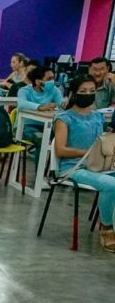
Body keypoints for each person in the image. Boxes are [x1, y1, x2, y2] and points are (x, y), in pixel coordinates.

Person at [54, 75, 115, 253]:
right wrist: (88, 153)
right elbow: (60, 150)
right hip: (73, 167)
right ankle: (106, 229)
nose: (88, 94)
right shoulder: (64, 118)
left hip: (98, 165)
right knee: (111, 185)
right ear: (73, 93)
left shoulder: (97, 116)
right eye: (83, 91)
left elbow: (101, 143)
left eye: (92, 91)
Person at [16, 65, 63, 144]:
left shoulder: (54, 90)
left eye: (53, 78)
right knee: (42, 139)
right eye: (49, 79)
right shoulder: (24, 90)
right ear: (38, 81)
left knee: (62, 138)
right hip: (25, 126)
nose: (52, 81)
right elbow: (21, 103)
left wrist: (65, 104)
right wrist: (40, 107)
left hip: (46, 126)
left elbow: (61, 103)